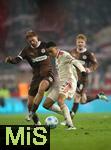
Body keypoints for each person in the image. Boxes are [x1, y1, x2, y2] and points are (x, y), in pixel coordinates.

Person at [5, 30, 54, 125]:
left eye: (33, 40)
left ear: (37, 37)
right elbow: (17, 59)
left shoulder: (45, 45)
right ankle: (37, 124)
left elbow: (56, 53)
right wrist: (10, 60)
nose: (32, 42)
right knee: (29, 104)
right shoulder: (26, 50)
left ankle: (32, 112)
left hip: (48, 75)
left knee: (42, 87)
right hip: (36, 77)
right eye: (30, 41)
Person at [43, 41, 87, 130]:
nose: (50, 54)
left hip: (69, 81)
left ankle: (70, 125)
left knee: (60, 101)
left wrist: (83, 71)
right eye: (49, 52)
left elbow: (75, 61)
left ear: (56, 48)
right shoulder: (56, 59)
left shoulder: (64, 54)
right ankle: (68, 114)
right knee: (46, 104)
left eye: (51, 51)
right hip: (61, 83)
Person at [68, 34, 108, 120]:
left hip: (83, 79)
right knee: (83, 101)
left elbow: (95, 64)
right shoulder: (72, 52)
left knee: (77, 98)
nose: (80, 44)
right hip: (74, 78)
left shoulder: (88, 54)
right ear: (76, 43)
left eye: (82, 42)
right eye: (78, 42)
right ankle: (99, 96)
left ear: (85, 43)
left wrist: (89, 69)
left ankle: (69, 120)